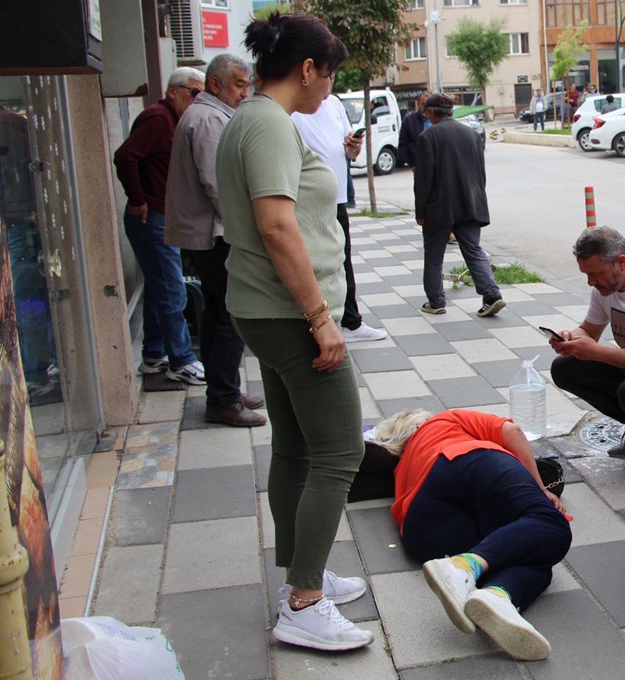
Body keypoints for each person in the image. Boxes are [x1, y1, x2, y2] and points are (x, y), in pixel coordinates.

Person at [215, 11, 374, 651]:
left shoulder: (249, 119)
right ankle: (304, 603)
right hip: (289, 315)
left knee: (296, 448)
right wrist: (320, 320)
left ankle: (299, 574)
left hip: (263, 309)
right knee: (342, 452)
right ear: (307, 69)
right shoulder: (270, 126)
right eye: (330, 73)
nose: (330, 85)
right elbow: (278, 227)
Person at [376, 408, 570, 661]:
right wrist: (540, 488)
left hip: (420, 524)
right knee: (551, 527)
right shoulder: (444, 420)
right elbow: (512, 431)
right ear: (419, 420)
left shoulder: (402, 468)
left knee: (531, 555)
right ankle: (461, 566)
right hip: (466, 459)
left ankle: (498, 595)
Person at [164, 54, 266, 428]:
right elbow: (218, 184)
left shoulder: (207, 114)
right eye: (239, 84)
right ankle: (223, 399)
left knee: (219, 315)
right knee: (228, 315)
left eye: (246, 84)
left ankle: (226, 391)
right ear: (215, 84)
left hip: (209, 233)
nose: (245, 91)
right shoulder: (208, 118)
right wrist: (248, 227)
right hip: (214, 234)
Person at [113, 66, 207, 385]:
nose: (198, 100)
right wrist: (138, 198)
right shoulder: (158, 118)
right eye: (195, 93)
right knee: (171, 289)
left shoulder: (173, 119)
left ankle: (154, 354)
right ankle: (181, 358)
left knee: (159, 287)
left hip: (162, 214)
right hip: (151, 215)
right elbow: (125, 156)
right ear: (173, 91)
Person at [550, 227, 625, 459]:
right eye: (586, 274)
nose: (590, 282)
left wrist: (596, 352)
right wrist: (570, 339)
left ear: (621, 262)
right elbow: (589, 330)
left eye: (595, 273)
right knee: (564, 367)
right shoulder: (606, 288)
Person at [293, 94, 389, 343]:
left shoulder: (334, 103)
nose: (330, 81)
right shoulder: (295, 105)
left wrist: (352, 146)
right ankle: (318, 322)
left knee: (342, 259)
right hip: (308, 199)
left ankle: (350, 321)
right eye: (327, 74)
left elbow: (349, 150)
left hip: (336, 198)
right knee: (314, 260)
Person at [414, 93, 505, 318]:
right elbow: (480, 174)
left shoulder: (428, 137)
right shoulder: (472, 134)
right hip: (470, 203)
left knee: (434, 255)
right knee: (474, 250)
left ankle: (436, 301)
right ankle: (492, 295)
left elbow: (423, 181)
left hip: (439, 208)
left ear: (432, 113)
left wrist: (421, 212)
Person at [398, 93, 430, 168]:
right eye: (423, 104)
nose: (426, 108)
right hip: (419, 165)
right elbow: (402, 145)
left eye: (428, 105)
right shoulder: (409, 120)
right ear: (418, 104)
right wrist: (411, 164)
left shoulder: (437, 119)